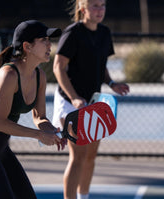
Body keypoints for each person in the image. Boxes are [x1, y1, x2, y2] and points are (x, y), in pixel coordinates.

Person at [0, 20, 66, 199]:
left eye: (49, 39)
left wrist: (53, 132)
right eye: (43, 40)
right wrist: (39, 135)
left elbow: (40, 117)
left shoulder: (39, 75)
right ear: (27, 46)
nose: (49, 44)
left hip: (1, 150)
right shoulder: (8, 75)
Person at [52, 0, 129, 198]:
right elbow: (58, 67)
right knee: (77, 156)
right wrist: (74, 98)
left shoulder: (104, 33)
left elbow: (100, 64)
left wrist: (112, 84)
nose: (100, 10)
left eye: (103, 5)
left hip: (93, 102)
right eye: (95, 5)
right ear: (82, 8)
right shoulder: (72, 33)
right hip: (70, 102)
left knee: (90, 156)